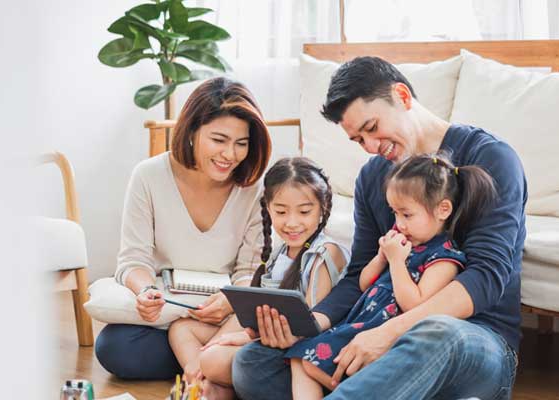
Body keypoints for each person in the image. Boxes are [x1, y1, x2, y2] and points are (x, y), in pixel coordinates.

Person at [232, 56, 527, 400]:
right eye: (358, 139)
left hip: (471, 339)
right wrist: (310, 326)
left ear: (402, 96)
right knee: (254, 362)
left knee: (439, 335)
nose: (371, 147)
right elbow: (359, 273)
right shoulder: (373, 177)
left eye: (371, 128)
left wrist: (389, 333)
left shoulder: (491, 158)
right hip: (374, 330)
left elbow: (486, 277)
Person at [94, 77, 272, 380]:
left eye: (241, 144)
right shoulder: (148, 176)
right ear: (191, 132)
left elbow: (251, 270)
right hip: (168, 311)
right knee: (114, 347)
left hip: (223, 316)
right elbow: (133, 260)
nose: (230, 154)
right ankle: (215, 364)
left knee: (259, 327)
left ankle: (203, 362)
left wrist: (231, 300)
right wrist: (146, 291)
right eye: (219, 140)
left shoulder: (254, 189)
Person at [284, 153, 496, 399]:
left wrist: (396, 262)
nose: (399, 223)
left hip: (390, 337)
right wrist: (381, 257)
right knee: (301, 359)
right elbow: (364, 284)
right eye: (395, 214)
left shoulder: (444, 258)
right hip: (359, 326)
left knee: (312, 363)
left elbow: (414, 303)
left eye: (407, 215)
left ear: (443, 210)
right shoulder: (402, 245)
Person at [176, 157, 349, 399]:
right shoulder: (280, 251)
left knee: (213, 359)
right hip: (265, 336)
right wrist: (240, 335)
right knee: (182, 330)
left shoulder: (325, 252)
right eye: (280, 211)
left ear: (323, 208)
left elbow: (309, 326)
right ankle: (205, 383)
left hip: (296, 347)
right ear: (268, 208)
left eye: (304, 211)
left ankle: (208, 382)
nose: (292, 222)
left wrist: (244, 338)